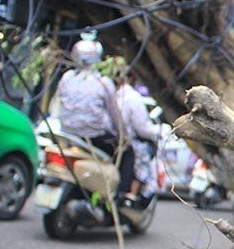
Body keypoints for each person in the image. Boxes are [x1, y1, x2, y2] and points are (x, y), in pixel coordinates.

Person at [53, 31, 134, 197]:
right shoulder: (103, 82)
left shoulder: (66, 77)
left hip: (67, 135)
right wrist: (124, 136)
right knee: (128, 152)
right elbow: (115, 116)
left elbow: (58, 103)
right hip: (93, 138)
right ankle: (121, 195)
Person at [113, 62, 160, 205]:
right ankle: (131, 193)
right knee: (142, 154)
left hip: (109, 137)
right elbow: (142, 128)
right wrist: (159, 131)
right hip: (122, 140)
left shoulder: (109, 92)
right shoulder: (132, 97)